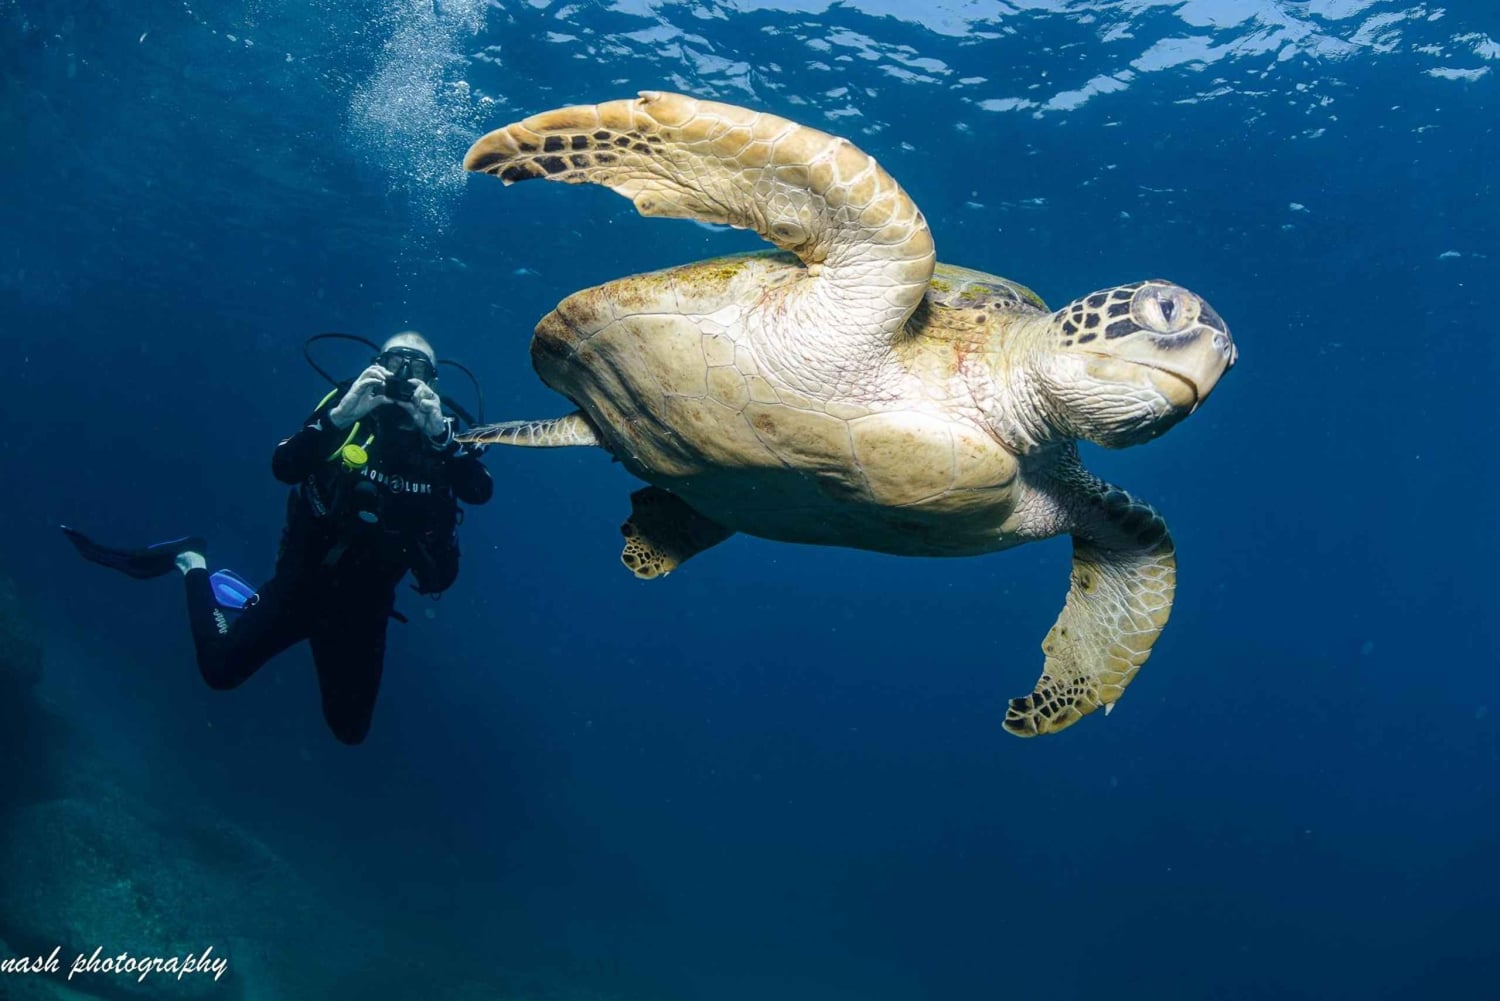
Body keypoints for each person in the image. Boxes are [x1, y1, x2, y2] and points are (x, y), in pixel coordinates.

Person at [63, 331, 493, 745]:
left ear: (434, 382)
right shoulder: (347, 408)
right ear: (374, 367)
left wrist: (440, 438)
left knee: (350, 731)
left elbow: (479, 491)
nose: (404, 374)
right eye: (393, 362)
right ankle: (191, 560)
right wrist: (340, 416)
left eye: (418, 367)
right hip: (298, 586)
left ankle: (248, 602)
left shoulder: (448, 435)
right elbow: (284, 466)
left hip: (366, 607)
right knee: (219, 671)